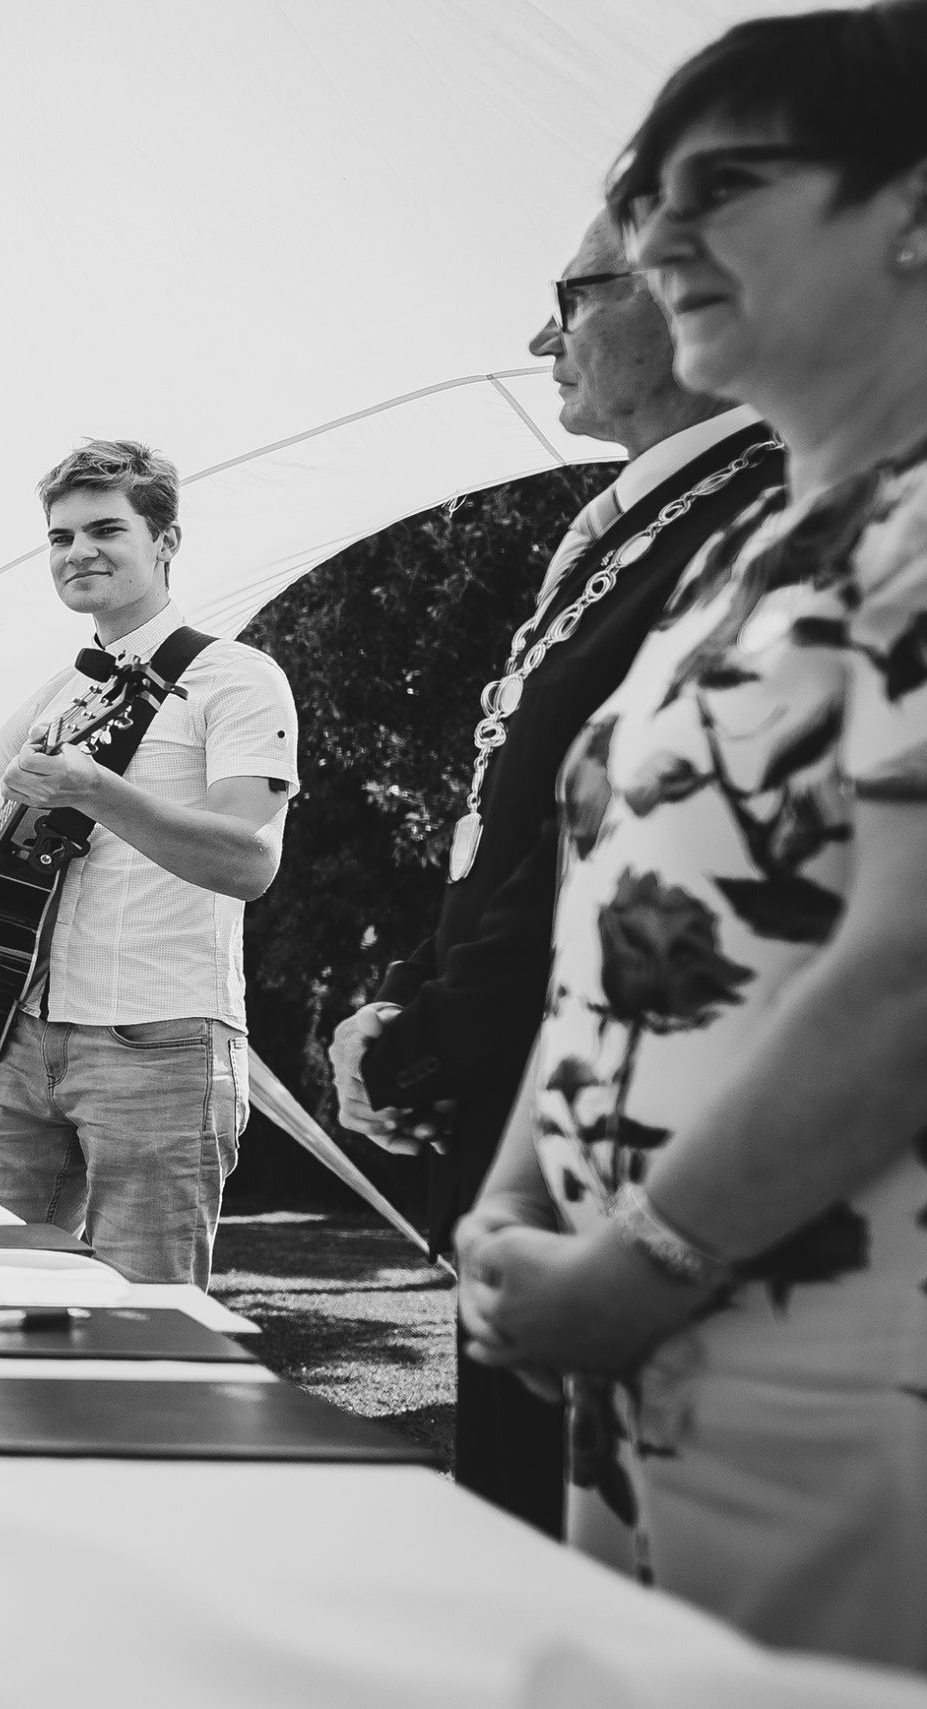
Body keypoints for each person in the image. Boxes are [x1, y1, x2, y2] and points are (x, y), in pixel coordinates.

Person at [457, 0, 927, 1668]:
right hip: (642, 1341)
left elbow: (911, 972)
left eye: (720, 186)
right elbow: (614, 911)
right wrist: (513, 1207)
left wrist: (643, 1262)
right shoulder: (750, 554)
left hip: (842, 1345)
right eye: (648, 199)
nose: (658, 238)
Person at [328, 217, 784, 1536]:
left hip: (645, 1138)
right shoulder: (642, 520)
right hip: (532, 1109)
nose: (543, 336)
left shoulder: (760, 513)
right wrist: (402, 1000)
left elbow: (611, 842)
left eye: (572, 297)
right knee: (523, 1513)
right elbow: (519, 809)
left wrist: (438, 1026)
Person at [0, 441, 297, 1286]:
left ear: (166, 540)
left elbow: (250, 861)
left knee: (146, 1319)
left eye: (105, 529)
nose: (78, 551)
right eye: (61, 537)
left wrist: (96, 791)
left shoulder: (237, 678)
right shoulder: (58, 691)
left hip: (160, 1043)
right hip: (20, 1037)